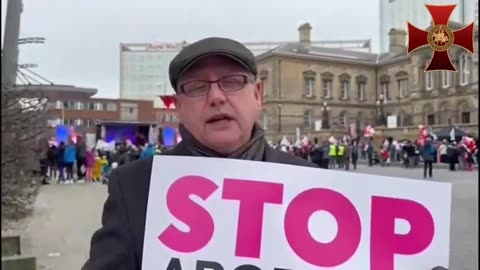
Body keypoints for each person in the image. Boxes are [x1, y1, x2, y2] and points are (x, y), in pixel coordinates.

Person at [83, 37, 317, 270]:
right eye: (197, 87)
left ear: (257, 94)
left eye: (232, 82)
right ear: (178, 107)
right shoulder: (134, 186)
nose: (216, 97)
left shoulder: (311, 185)